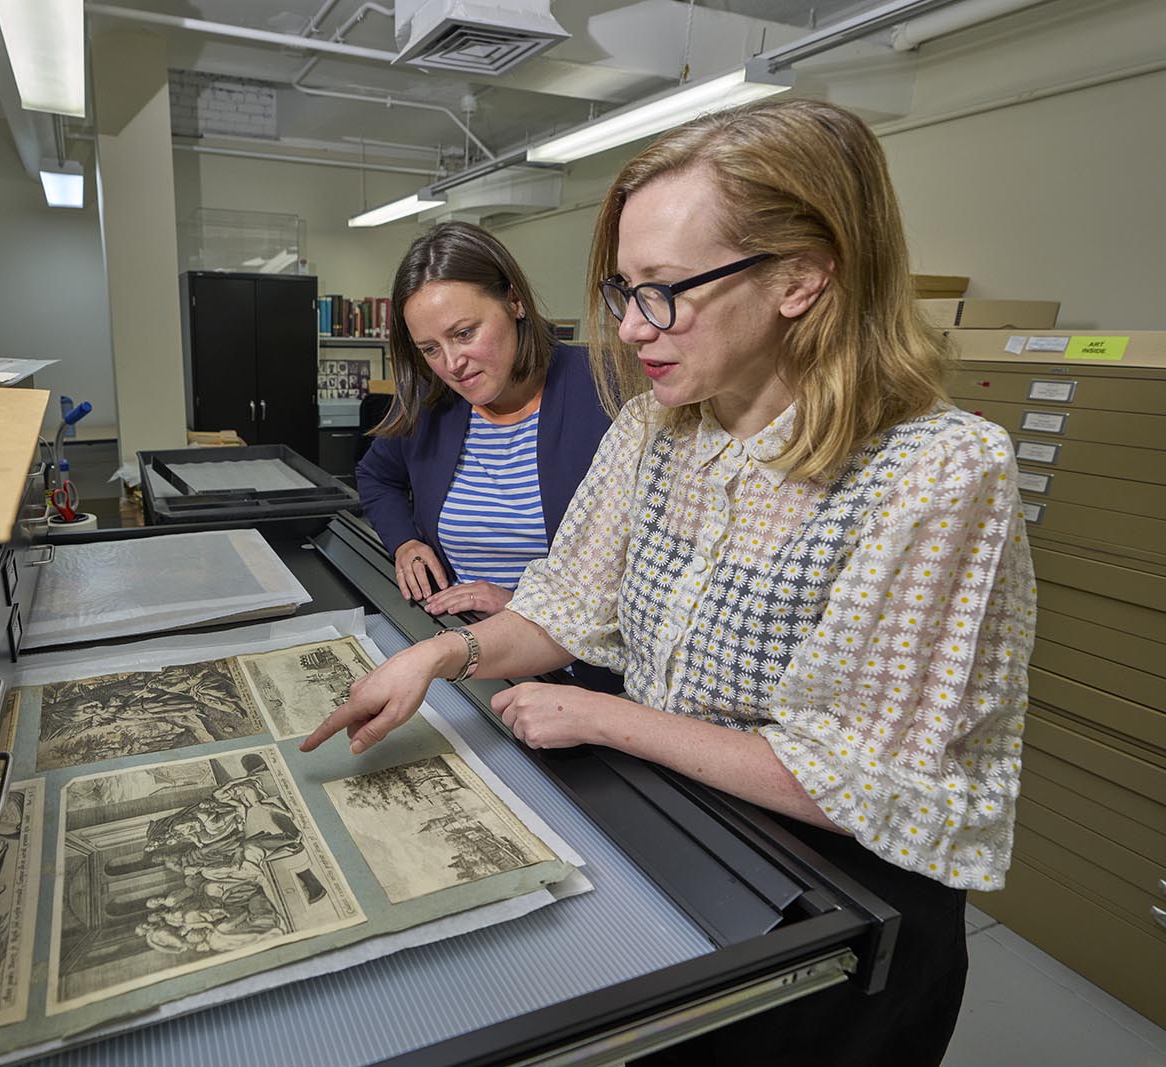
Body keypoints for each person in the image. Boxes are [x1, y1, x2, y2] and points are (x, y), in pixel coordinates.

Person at [304, 99, 1036, 1067]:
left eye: (664, 290)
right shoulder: (657, 432)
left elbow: (848, 777)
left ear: (803, 277)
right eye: (622, 290)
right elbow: (563, 603)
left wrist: (604, 718)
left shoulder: (937, 473)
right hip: (691, 849)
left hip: (842, 922)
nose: (630, 326)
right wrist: (445, 653)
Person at [356, 221, 614, 623]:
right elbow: (375, 476)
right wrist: (404, 542)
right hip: (459, 637)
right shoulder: (431, 403)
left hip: (572, 659)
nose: (452, 364)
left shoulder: (606, 392)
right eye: (430, 349)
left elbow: (646, 569)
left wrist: (522, 604)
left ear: (514, 301)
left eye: (464, 333)